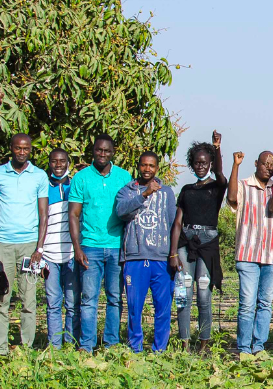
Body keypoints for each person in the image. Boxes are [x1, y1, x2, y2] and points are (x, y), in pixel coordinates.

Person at [0, 133, 49, 353]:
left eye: (26, 149)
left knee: (29, 300)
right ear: (11, 148)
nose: (22, 152)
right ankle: (0, 349)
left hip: (29, 246)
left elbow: (43, 214)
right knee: (1, 299)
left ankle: (26, 348)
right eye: (18, 148)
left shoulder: (39, 176)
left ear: (31, 150)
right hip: (3, 245)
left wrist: (39, 248)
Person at [69, 135, 134, 353]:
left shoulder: (124, 177)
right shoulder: (81, 178)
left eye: (107, 151)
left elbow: (131, 211)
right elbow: (74, 215)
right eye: (99, 150)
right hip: (90, 246)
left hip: (117, 246)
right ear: (93, 151)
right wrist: (77, 248)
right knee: (89, 299)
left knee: (115, 298)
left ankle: (111, 344)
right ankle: (87, 346)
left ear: (113, 152)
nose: (102, 154)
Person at [115, 152, 179, 353]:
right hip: (135, 258)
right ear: (138, 166)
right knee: (134, 308)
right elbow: (121, 212)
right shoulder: (126, 191)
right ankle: (135, 348)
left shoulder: (167, 192)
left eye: (151, 165)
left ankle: (160, 349)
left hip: (160, 259)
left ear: (157, 168)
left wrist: (173, 254)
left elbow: (172, 222)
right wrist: (144, 194)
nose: (147, 169)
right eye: (144, 165)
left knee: (163, 308)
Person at [227, 149, 273, 355]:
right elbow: (232, 197)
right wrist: (235, 165)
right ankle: (244, 347)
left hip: (271, 254)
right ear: (255, 163)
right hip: (248, 253)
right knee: (246, 303)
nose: (268, 169)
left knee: (265, 303)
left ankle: (259, 345)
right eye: (265, 164)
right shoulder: (244, 185)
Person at [174, 133, 226, 354]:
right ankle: (185, 343)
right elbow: (177, 222)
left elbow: (221, 175)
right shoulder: (186, 190)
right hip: (186, 242)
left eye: (205, 162)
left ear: (210, 164)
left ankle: (204, 344)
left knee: (204, 294)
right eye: (197, 162)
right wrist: (172, 253)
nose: (201, 166)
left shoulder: (216, 187)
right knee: (183, 294)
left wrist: (217, 147)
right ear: (192, 164)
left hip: (208, 243)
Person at [40, 149, 80, 349]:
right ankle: (54, 345)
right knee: (53, 303)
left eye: (62, 161)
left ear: (68, 163)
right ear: (49, 163)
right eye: (54, 161)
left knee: (72, 303)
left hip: (72, 254)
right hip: (49, 255)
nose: (58, 165)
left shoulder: (76, 185)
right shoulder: (43, 187)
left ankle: (71, 343)